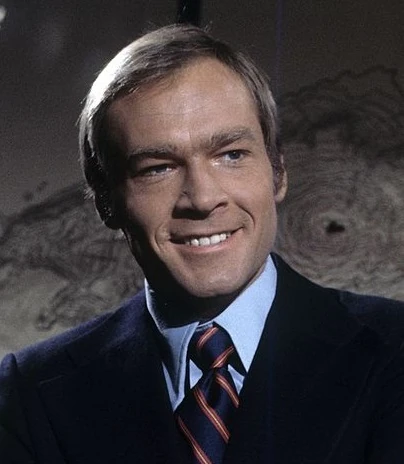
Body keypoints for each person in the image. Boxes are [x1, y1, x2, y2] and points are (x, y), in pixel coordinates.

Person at [1, 24, 404, 464]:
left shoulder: (394, 352)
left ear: (278, 172)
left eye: (231, 155)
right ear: (105, 202)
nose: (203, 198)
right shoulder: (28, 396)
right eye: (158, 168)